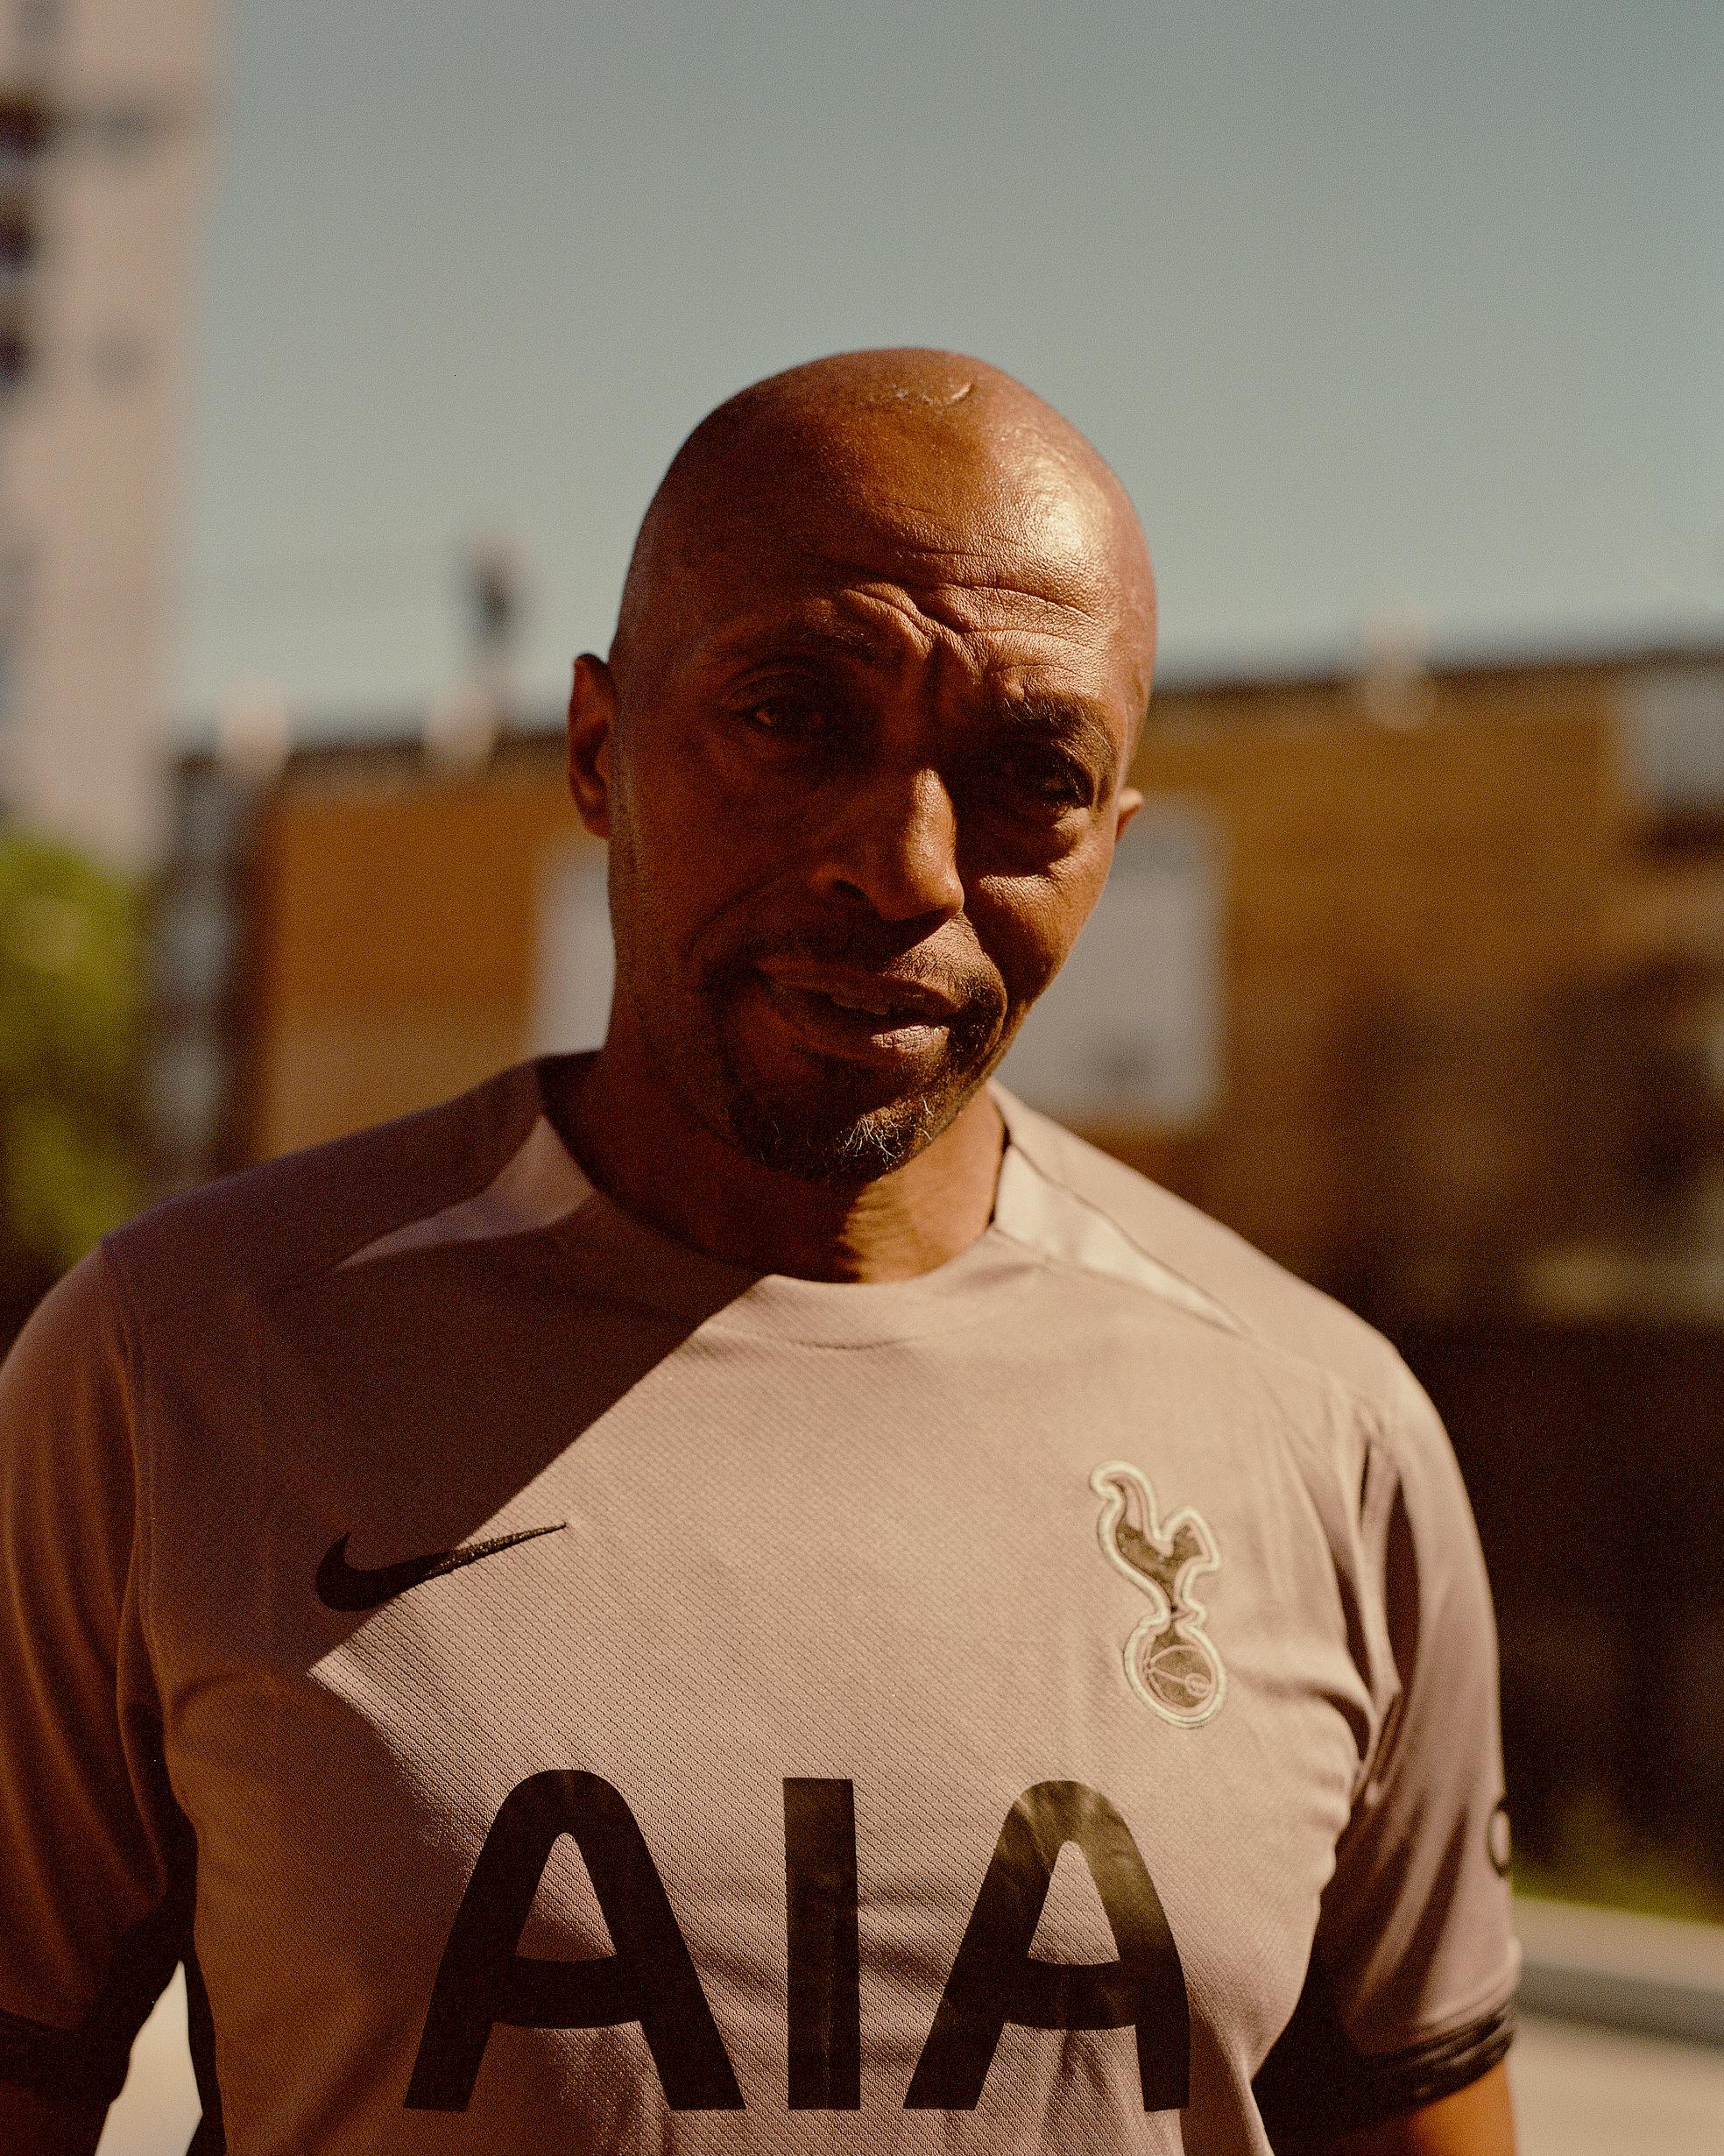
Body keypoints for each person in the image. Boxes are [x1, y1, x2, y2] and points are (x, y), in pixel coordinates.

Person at [0, 350, 1518, 2154]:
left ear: (1113, 845)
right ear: (595, 752)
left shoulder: (1324, 1439)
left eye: (1030, 771)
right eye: (796, 715)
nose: (901, 863)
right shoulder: (179, 1367)